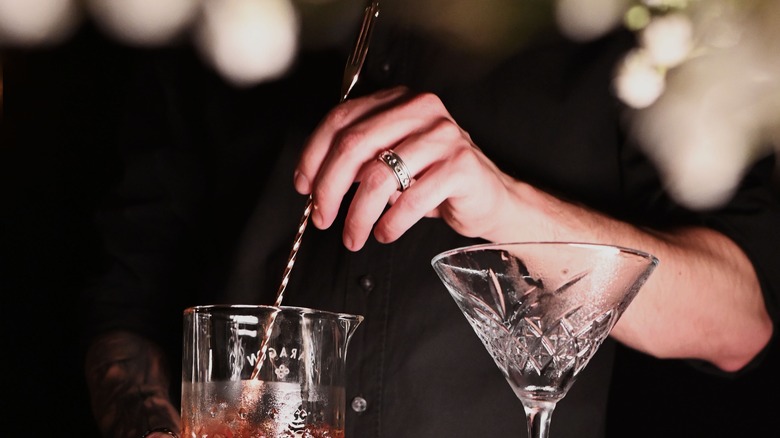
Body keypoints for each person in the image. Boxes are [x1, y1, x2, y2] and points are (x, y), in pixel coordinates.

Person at [81, 2, 779, 437]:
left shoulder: (644, 20)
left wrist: (504, 205)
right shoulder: (212, 18)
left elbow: (739, 322)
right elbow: (127, 295)